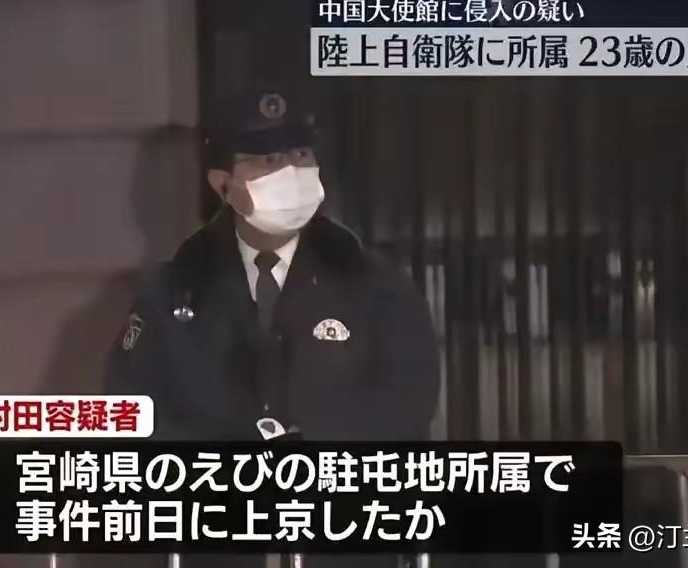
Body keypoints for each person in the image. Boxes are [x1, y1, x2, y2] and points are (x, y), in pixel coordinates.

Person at [105, 88, 440, 443]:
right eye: (268, 160)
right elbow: (129, 411)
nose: (290, 172)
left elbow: (409, 407)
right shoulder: (171, 294)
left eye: (301, 154)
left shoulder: (377, 286)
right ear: (223, 184)